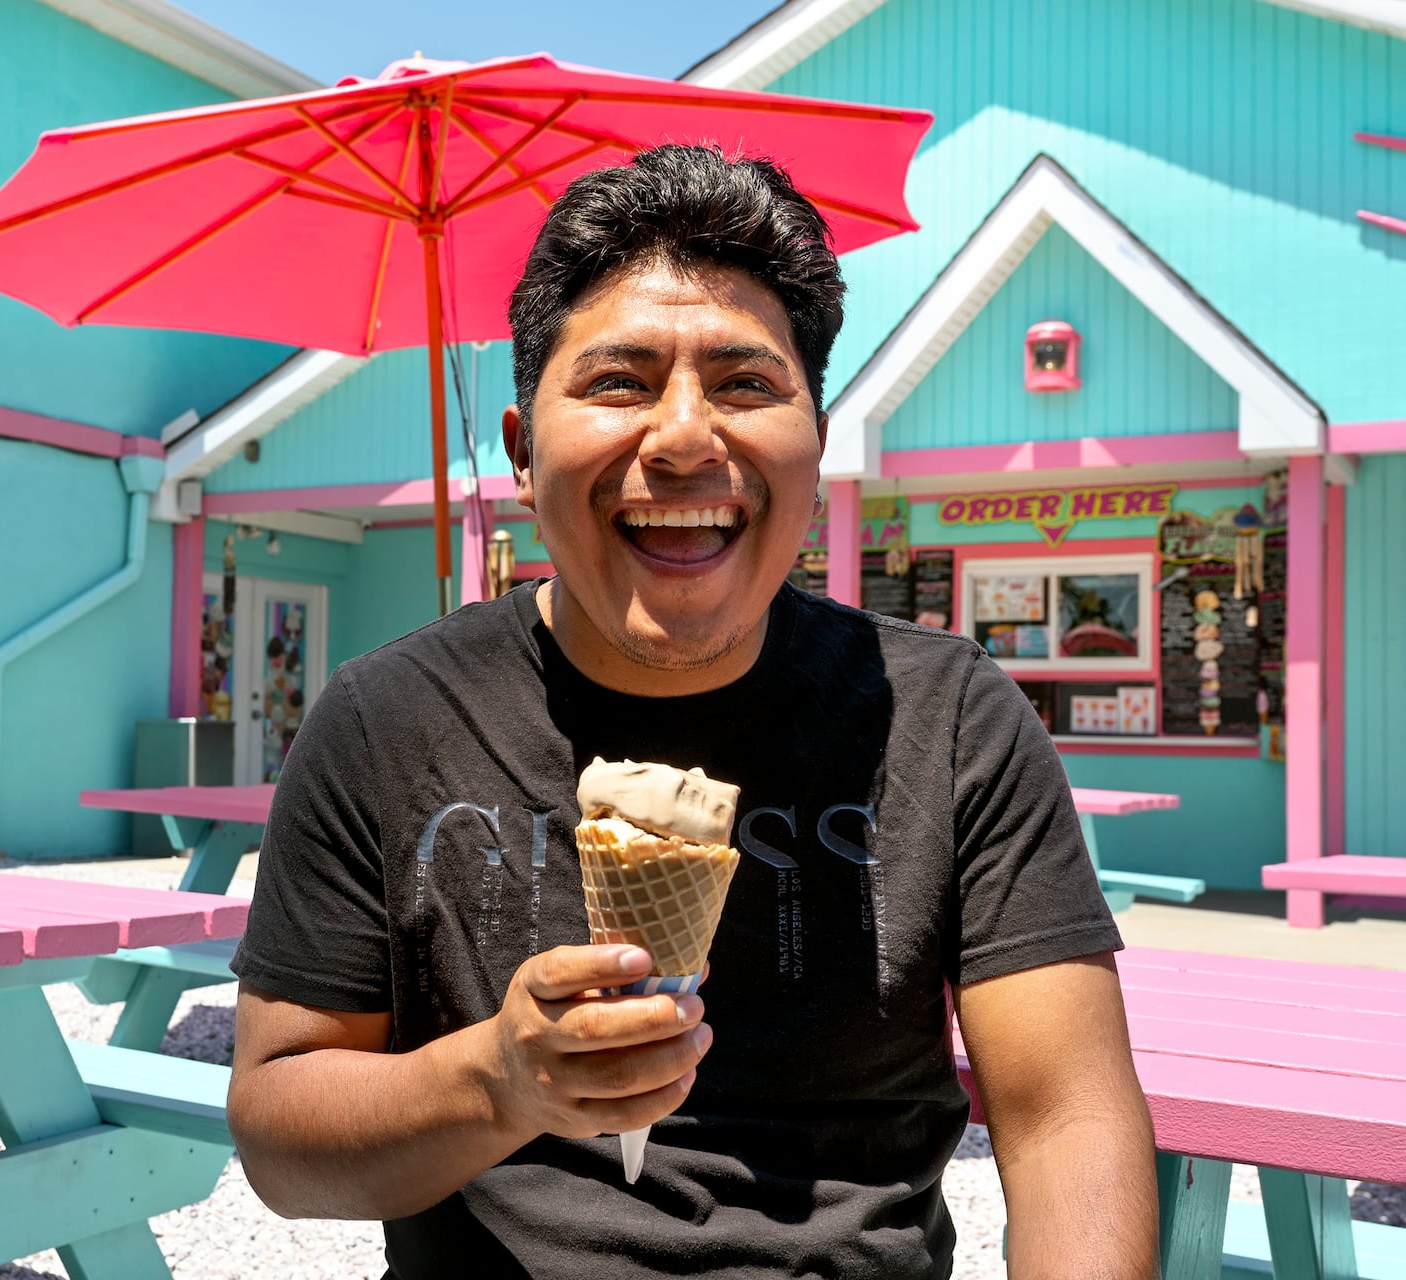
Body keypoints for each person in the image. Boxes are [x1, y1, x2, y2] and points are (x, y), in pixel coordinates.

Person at [226, 144, 1157, 1279]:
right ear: (522, 452)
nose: (680, 438)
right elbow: (280, 1137)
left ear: (816, 448)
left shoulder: (951, 717)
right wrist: (499, 1080)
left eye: (746, 382)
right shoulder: (387, 717)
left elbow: (1069, 1117)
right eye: (618, 381)